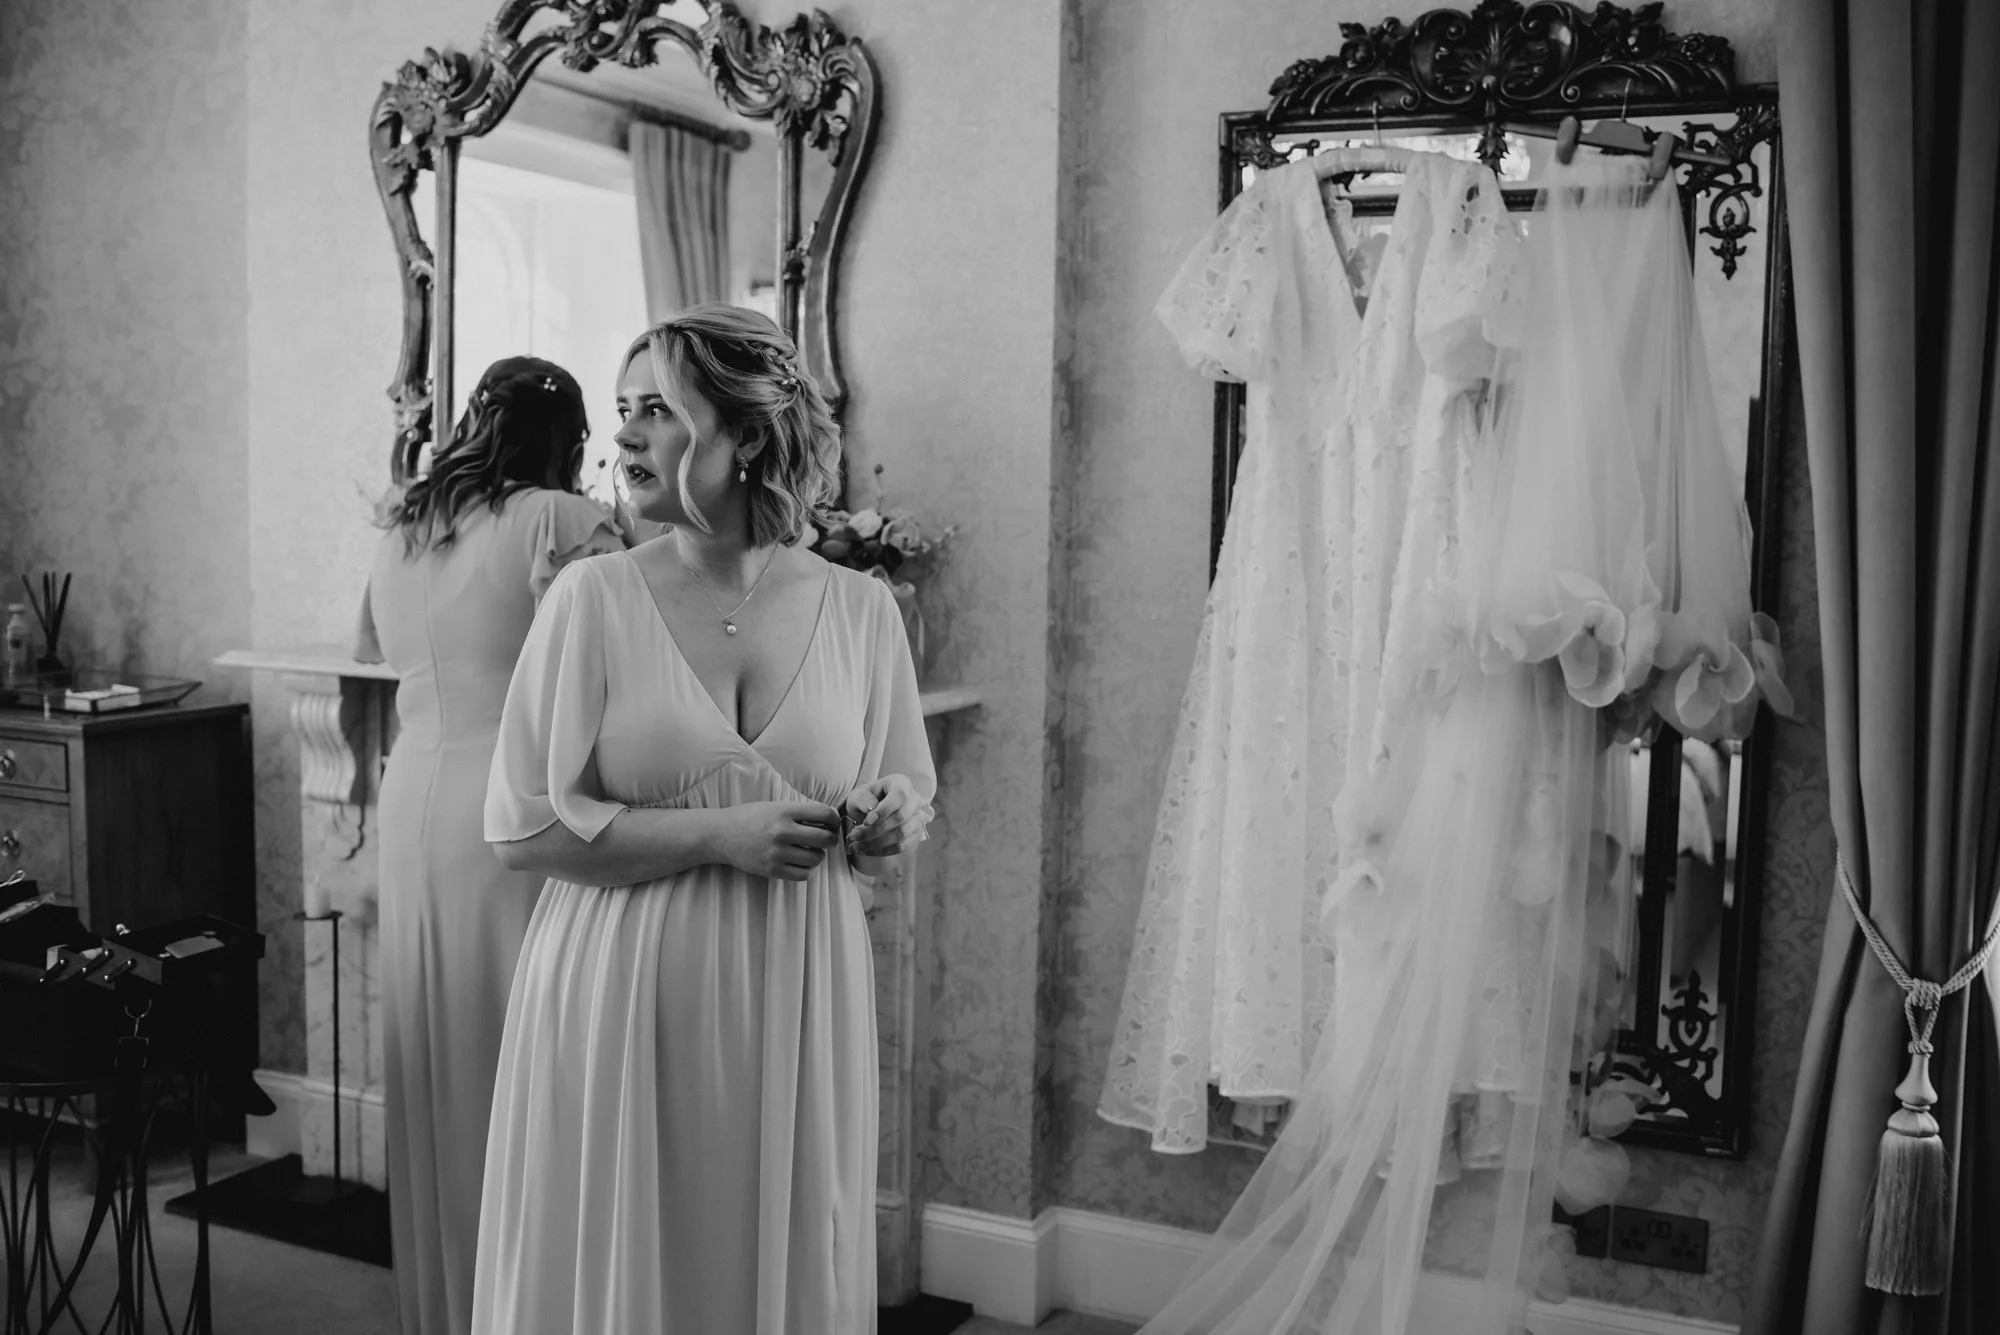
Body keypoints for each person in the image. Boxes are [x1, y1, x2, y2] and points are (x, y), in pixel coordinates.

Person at [472, 305, 935, 1334]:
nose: (624, 436)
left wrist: (883, 823)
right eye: (623, 409)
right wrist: (717, 837)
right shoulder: (589, 599)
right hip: (621, 992)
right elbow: (520, 831)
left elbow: (904, 787)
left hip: (797, 986)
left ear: (747, 436)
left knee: (771, 1258)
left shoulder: (861, 611)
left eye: (658, 411)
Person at [354, 356, 626, 1335]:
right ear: (568, 442)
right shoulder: (557, 520)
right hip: (509, 806)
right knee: (524, 1068)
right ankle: (529, 1308)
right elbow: (627, 657)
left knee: (434, 1062)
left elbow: (367, 651)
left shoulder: (406, 523)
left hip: (414, 792)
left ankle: (444, 1305)